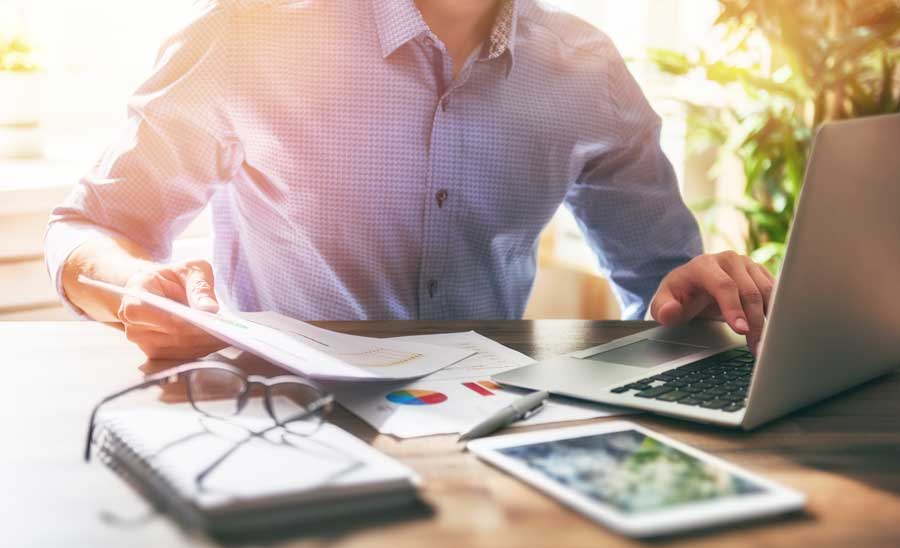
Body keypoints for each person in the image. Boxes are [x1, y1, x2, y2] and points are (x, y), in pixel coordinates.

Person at [45, 0, 774, 361]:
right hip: (285, 426)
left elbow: (663, 288)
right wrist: (131, 286)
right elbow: (89, 228)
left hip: (495, 444)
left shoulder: (588, 68)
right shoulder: (248, 34)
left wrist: (699, 290)